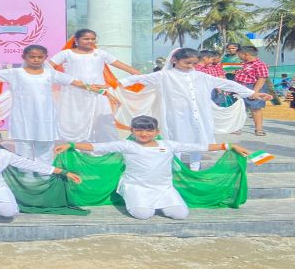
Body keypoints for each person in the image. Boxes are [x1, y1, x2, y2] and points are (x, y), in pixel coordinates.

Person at [54, 115, 251, 220]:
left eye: (149, 130)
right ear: (132, 131)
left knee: (180, 215)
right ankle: (136, 200)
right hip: (136, 187)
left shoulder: (168, 144)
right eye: (139, 130)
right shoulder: (127, 145)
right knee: (143, 214)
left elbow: (197, 146)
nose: (144, 134)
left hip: (164, 188)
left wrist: (228, 145)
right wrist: (71, 145)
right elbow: (99, 147)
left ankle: (162, 203)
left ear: (157, 131)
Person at [0, 44, 109, 166]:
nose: (36, 59)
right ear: (24, 57)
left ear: (45, 58)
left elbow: (74, 82)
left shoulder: (50, 73)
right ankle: (24, 176)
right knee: (23, 149)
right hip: (23, 118)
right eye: (32, 57)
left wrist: (94, 88)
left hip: (46, 118)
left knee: (45, 149)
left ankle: (44, 176)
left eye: (40, 57)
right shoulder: (15, 73)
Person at [120, 48, 271, 170]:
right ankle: (176, 169)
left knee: (199, 139)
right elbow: (139, 79)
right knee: (176, 140)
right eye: (187, 63)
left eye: (194, 63)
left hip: (199, 115)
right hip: (176, 115)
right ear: (174, 60)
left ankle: (195, 168)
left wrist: (252, 93)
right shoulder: (164, 76)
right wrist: (116, 83)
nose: (190, 66)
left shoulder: (201, 76)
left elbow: (227, 84)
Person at [49, 29, 140, 143]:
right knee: (74, 119)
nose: (90, 41)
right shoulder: (67, 54)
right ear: (76, 40)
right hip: (73, 93)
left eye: (93, 39)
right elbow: (48, 68)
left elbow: (123, 66)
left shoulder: (101, 54)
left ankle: (103, 146)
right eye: (86, 39)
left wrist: (142, 76)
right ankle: (73, 146)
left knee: (102, 120)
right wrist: (66, 80)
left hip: (98, 93)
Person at [234, 45, 271, 136]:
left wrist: (255, 92)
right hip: (241, 87)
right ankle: (237, 127)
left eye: (239, 54)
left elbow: (262, 78)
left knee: (255, 108)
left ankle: (259, 129)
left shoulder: (260, 64)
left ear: (245, 54)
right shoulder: (242, 64)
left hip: (253, 87)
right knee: (240, 108)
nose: (238, 56)